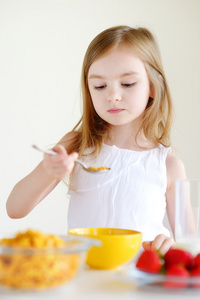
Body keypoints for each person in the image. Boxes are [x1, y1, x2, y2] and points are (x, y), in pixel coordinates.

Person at [6, 25, 186, 255]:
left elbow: (188, 245)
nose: (112, 96)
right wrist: (48, 170)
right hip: (83, 281)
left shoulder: (168, 165)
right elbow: (14, 208)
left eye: (128, 83)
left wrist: (170, 247)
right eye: (100, 86)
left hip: (138, 284)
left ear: (152, 85)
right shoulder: (76, 147)